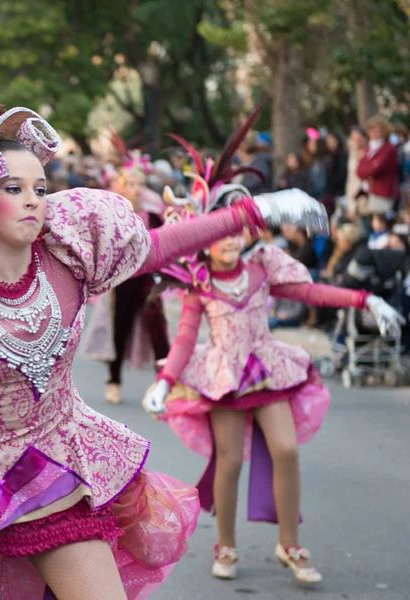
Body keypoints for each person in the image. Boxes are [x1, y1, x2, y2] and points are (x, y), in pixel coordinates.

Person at [0, 17, 329, 600]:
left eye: (40, 185)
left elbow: (158, 247)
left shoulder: (69, 255)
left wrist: (254, 212)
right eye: (14, 188)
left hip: (60, 468)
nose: (34, 199)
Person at [143, 175, 403, 585]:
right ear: (205, 235)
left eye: (236, 232)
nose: (230, 241)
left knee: (286, 450)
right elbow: (186, 339)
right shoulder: (200, 283)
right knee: (228, 463)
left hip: (267, 369)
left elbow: (311, 293)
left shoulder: (264, 265)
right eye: (222, 233)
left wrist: (364, 299)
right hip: (224, 377)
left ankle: (291, 544)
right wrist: (164, 380)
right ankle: (225, 544)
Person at [82, 133, 170, 405]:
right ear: (121, 184)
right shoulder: (113, 212)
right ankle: (114, 380)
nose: (137, 188)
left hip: (149, 280)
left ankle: (166, 381)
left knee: (158, 329)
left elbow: (165, 243)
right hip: (123, 280)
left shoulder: (154, 214)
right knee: (118, 330)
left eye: (140, 183)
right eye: (131, 183)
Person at [357, 115, 400, 215]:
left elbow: (376, 169)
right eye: (372, 129)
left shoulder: (389, 149)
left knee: (381, 224)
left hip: (384, 193)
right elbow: (360, 171)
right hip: (371, 192)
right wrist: (370, 167)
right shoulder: (369, 148)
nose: (374, 132)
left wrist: (369, 168)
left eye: (378, 129)